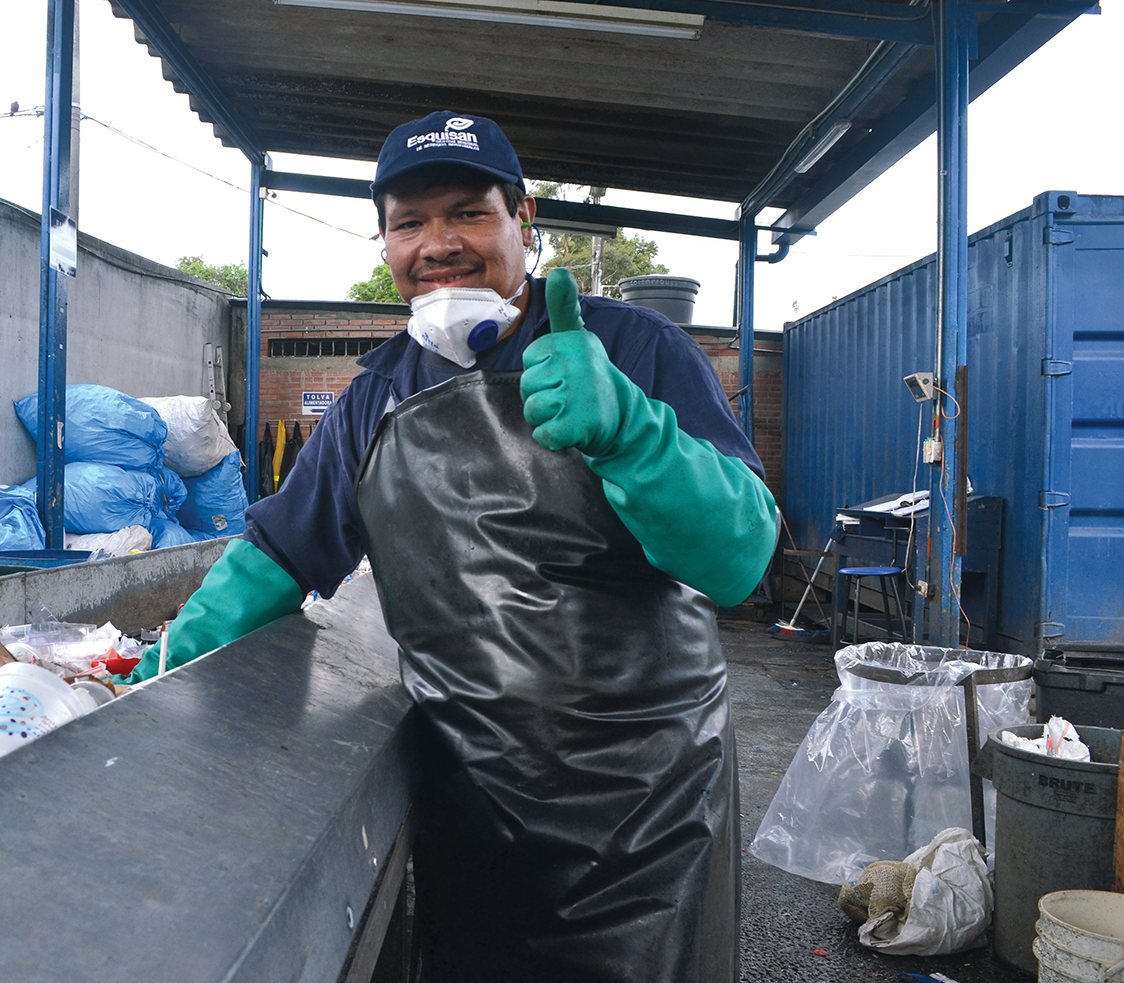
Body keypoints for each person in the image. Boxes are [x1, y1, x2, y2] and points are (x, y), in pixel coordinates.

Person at [131, 112, 779, 982]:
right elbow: (278, 556)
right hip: (473, 797)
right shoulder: (376, 394)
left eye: (467, 213)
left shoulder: (633, 349)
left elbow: (738, 559)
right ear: (386, 242)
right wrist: (157, 670)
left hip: (644, 806)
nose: (437, 243)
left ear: (523, 216)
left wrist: (632, 432)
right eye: (408, 222)